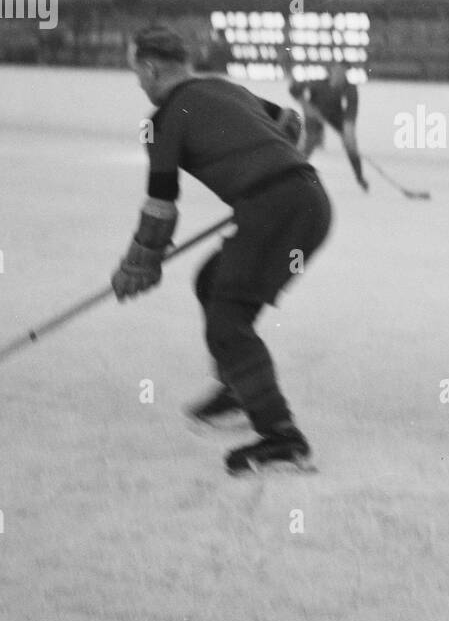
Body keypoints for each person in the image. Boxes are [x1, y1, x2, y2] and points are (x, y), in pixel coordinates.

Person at [112, 26, 330, 474]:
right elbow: (289, 123)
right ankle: (236, 391)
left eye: (137, 71)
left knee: (227, 317)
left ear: (151, 69)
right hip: (309, 199)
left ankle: (281, 436)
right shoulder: (221, 87)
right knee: (213, 281)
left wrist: (139, 263)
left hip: (275, 209)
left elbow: (159, 207)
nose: (137, 81)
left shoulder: (162, 122)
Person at [288, 60, 369, 192]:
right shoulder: (318, 84)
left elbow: (351, 108)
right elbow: (294, 89)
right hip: (314, 113)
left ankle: (360, 178)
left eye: (342, 72)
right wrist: (304, 104)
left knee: (351, 144)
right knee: (311, 141)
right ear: (331, 71)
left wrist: (348, 129)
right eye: (336, 71)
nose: (338, 75)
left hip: (335, 115)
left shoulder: (350, 88)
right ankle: (294, 171)